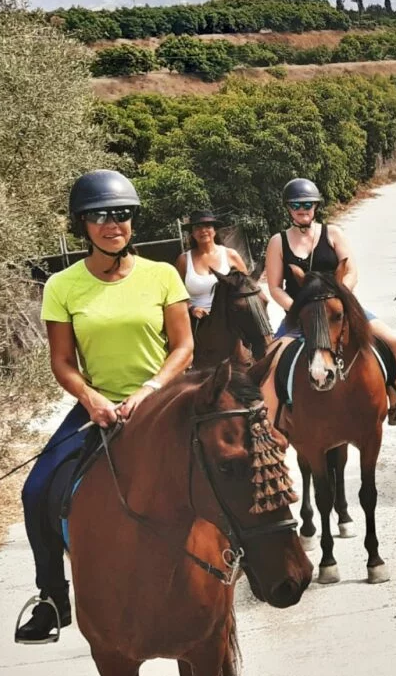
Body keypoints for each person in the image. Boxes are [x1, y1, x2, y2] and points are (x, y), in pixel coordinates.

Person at [15, 170, 193, 645]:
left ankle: (249, 557)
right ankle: (53, 598)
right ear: (83, 224)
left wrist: (151, 389)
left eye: (121, 214)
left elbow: (183, 348)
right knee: (36, 491)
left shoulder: (162, 275)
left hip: (163, 399)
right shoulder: (62, 286)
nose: (112, 224)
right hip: (97, 406)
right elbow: (62, 362)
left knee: (230, 460)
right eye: (99, 216)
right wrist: (90, 398)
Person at [263, 178, 396, 426]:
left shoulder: (333, 233)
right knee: (269, 364)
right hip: (301, 313)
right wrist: (297, 308)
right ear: (288, 208)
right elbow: (274, 287)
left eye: (307, 203)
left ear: (315, 206)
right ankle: (270, 425)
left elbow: (351, 272)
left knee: (395, 343)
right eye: (296, 204)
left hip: (339, 310)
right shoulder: (278, 242)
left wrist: (340, 297)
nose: (302, 209)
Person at [174, 208, 263, 320]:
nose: (203, 231)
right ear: (192, 233)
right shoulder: (184, 260)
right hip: (196, 320)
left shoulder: (231, 255)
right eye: (198, 227)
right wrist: (192, 308)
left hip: (232, 319)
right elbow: (175, 294)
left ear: (215, 230)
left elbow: (248, 288)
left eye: (208, 226)